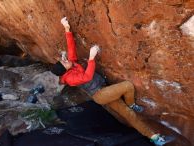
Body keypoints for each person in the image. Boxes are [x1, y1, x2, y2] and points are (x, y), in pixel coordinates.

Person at [50, 17, 175, 146]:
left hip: (105, 90)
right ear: (65, 70)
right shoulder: (70, 79)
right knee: (127, 86)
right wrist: (92, 57)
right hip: (100, 95)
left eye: (64, 60)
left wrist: (66, 27)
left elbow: (71, 46)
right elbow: (87, 77)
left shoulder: (72, 64)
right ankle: (131, 104)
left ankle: (155, 138)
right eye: (64, 62)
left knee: (129, 115)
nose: (66, 60)